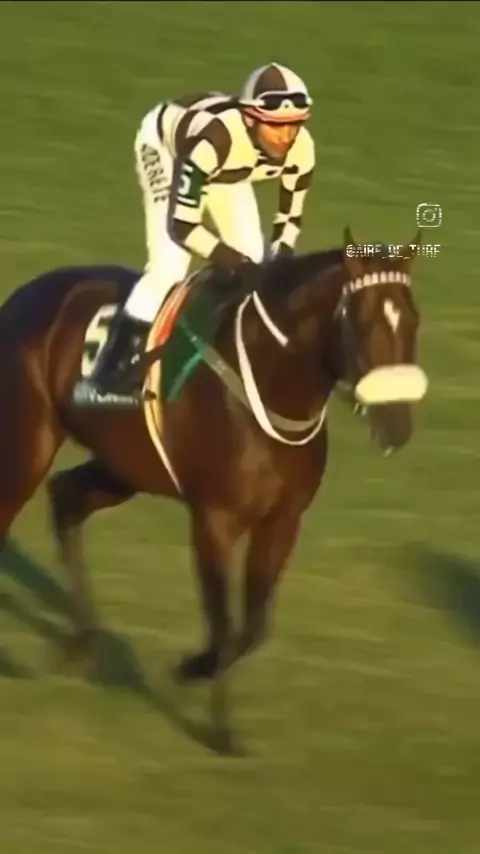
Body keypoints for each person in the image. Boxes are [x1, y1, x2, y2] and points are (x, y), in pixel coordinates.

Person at [89, 61, 316, 397]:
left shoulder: (302, 148)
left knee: (256, 259)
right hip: (169, 151)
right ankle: (113, 366)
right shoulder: (214, 143)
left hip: (227, 169)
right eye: (276, 126)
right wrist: (235, 262)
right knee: (170, 267)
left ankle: (212, 332)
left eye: (294, 125)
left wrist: (279, 259)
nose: (286, 136)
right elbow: (183, 226)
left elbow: (289, 219)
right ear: (251, 119)